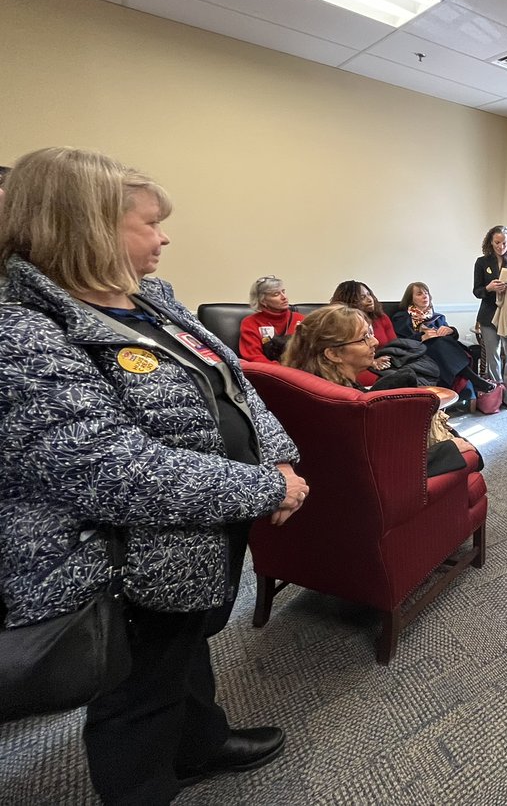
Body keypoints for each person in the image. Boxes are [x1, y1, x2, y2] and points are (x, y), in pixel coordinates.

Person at [0, 147, 308, 804]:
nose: (164, 236)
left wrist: (277, 453)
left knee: (188, 647)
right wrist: (269, 487)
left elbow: (236, 386)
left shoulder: (152, 298)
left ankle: (200, 741)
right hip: (123, 564)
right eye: (149, 223)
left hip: (201, 531)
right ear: (87, 225)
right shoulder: (22, 330)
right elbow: (117, 471)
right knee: (136, 698)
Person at [282, 304, 477, 474]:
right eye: (363, 338)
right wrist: (449, 449)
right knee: (468, 449)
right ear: (333, 354)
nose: (375, 342)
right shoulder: (348, 405)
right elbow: (385, 465)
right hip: (388, 488)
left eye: (370, 334)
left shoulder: (315, 386)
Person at [392, 282, 494, 398]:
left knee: (442, 342)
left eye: (427, 293)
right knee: (439, 343)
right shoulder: (402, 317)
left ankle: (471, 384)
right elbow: (400, 342)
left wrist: (451, 331)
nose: (425, 296)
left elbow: (450, 340)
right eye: (419, 294)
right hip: (419, 351)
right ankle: (474, 379)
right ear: (410, 299)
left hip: (442, 351)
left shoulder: (438, 317)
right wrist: (421, 337)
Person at [473, 225, 507, 412]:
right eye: (497, 242)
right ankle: (496, 393)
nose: (501, 246)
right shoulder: (481, 262)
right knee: (493, 356)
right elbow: (477, 291)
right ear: (490, 242)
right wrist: (489, 288)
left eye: (504, 242)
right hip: (489, 316)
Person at [330, 279, 394, 380]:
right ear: (349, 302)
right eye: (363, 297)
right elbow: (344, 356)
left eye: (369, 294)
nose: (370, 299)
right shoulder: (340, 324)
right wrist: (372, 362)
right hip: (358, 368)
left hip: (385, 364)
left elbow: (394, 345)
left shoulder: (382, 318)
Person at [239, 275, 302, 363]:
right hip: (268, 372)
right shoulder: (250, 323)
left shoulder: (300, 319)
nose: (284, 297)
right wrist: (282, 371)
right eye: (276, 294)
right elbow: (254, 357)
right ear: (263, 301)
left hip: (299, 371)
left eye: (283, 292)